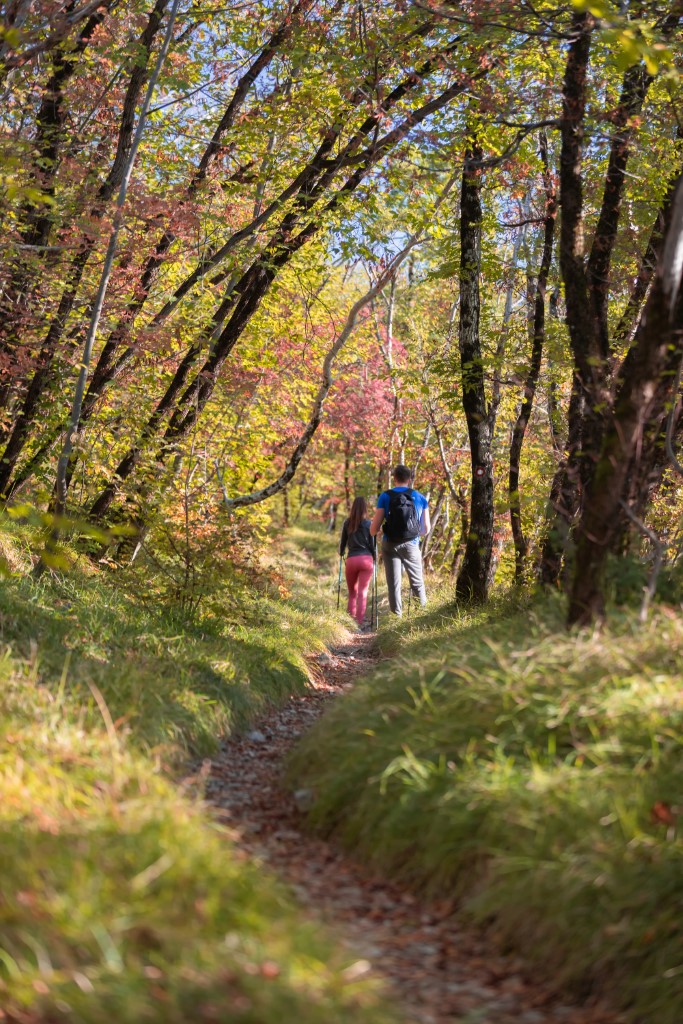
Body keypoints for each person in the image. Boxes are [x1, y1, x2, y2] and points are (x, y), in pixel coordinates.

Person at [370, 464, 430, 616]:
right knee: (417, 583)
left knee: (394, 584)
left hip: (390, 543)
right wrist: (414, 535)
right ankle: (421, 617)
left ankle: (396, 617)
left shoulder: (385, 496)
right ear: (409, 479)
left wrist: (374, 532)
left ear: (394, 478)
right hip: (411, 543)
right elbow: (426, 529)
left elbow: (374, 528)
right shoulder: (420, 497)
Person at [339, 496, 376, 629]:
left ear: (353, 507)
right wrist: (375, 556)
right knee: (363, 592)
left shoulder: (347, 523)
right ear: (365, 508)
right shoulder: (369, 524)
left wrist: (341, 552)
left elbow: (342, 545)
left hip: (352, 559)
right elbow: (373, 545)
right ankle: (359, 623)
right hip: (366, 560)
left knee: (352, 593)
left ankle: (350, 623)